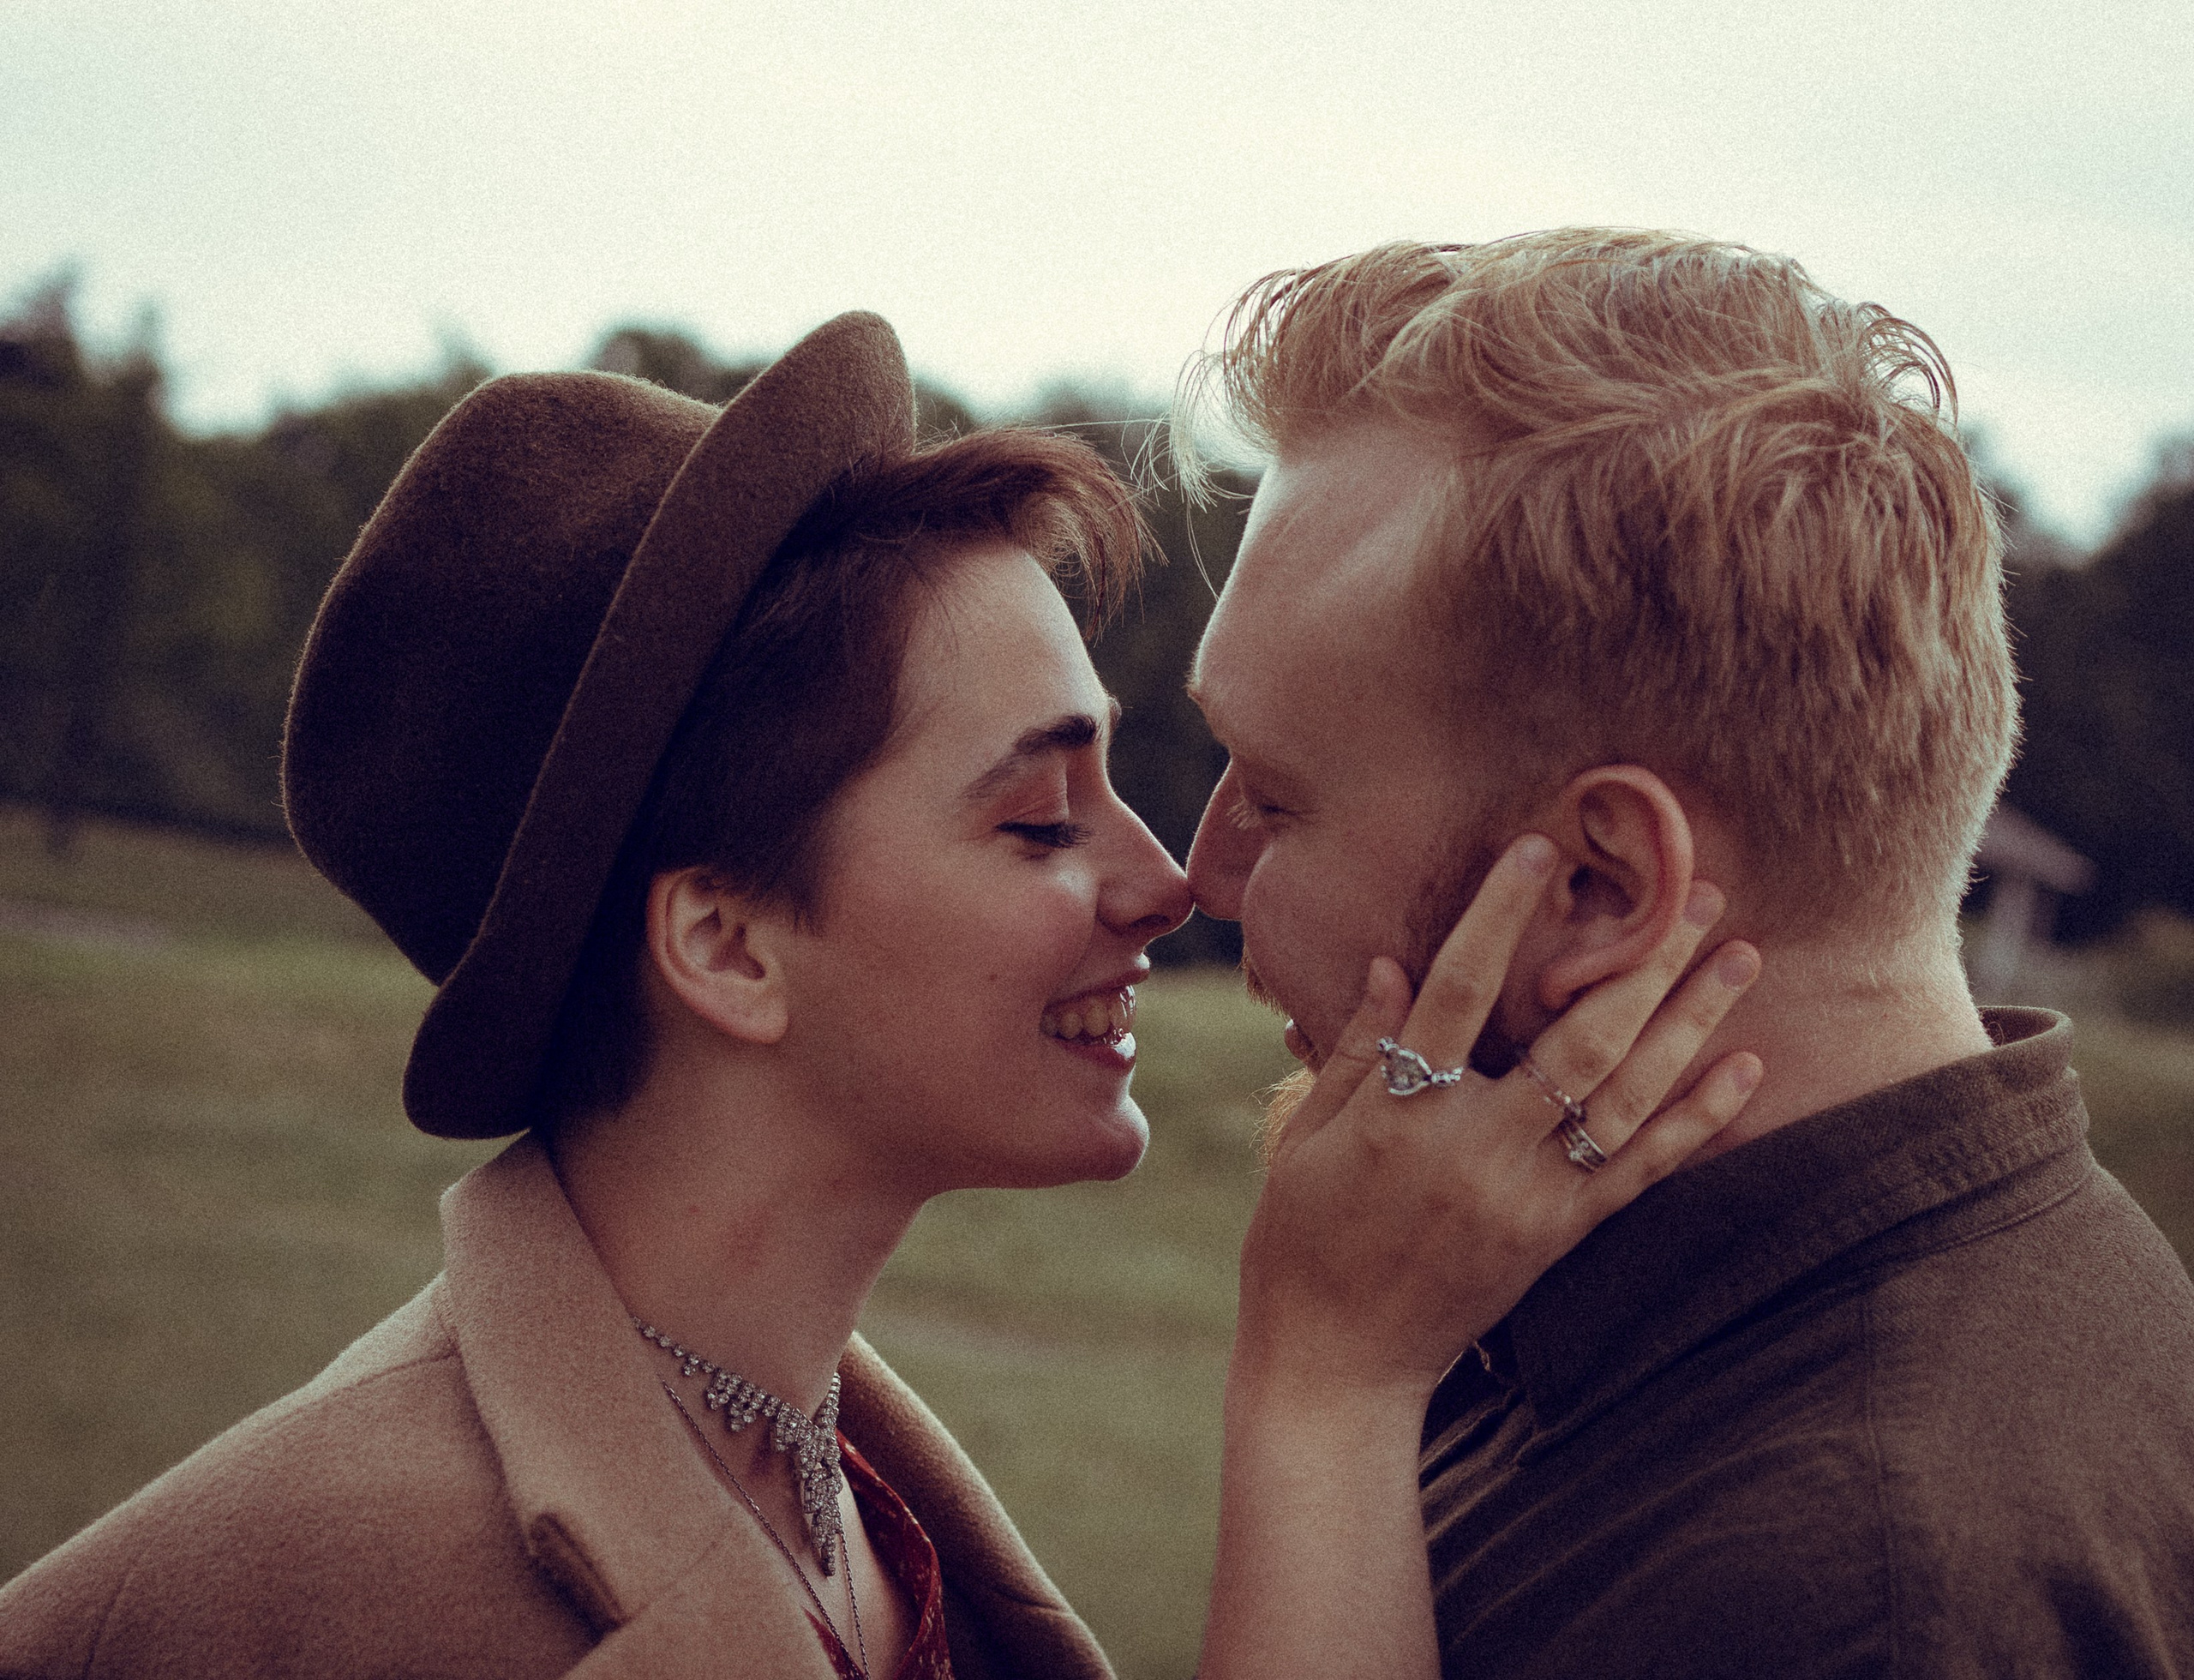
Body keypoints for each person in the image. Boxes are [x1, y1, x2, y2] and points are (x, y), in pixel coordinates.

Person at [0, 311, 1764, 1679]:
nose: (1168, 881)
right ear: (727, 947)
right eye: (1034, 817)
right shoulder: (341, 1591)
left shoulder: (856, 1497)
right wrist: (1329, 1374)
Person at [1176, 230, 2194, 1677]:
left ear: (1598, 887)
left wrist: (1323, 1395)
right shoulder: (1627, 1299)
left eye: (1274, 796)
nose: (1198, 871)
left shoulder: (1856, 1599)